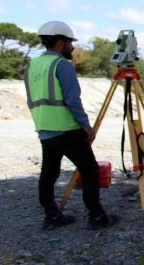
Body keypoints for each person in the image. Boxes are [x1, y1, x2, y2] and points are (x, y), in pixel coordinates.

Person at [24, 21, 118, 230]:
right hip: (67, 128)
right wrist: (86, 126)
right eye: (69, 43)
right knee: (90, 170)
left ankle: (53, 216)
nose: (72, 48)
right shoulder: (61, 65)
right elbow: (72, 99)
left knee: (49, 174)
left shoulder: (32, 66)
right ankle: (96, 217)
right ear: (59, 42)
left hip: (45, 129)